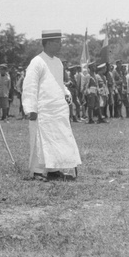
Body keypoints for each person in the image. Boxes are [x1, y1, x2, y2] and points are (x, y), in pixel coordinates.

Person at [22, 30, 81, 181]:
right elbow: (30, 86)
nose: (60, 45)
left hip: (57, 108)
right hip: (43, 110)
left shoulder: (58, 62)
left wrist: (66, 92)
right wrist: (30, 108)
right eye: (57, 42)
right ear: (48, 43)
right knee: (40, 141)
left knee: (57, 139)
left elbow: (58, 83)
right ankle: (37, 172)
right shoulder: (37, 61)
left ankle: (54, 169)